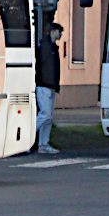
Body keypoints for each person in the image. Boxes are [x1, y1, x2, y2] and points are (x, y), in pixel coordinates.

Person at [35, 21, 64, 155]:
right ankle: (29, 137)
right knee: (45, 114)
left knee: (49, 116)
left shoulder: (52, 47)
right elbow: (40, 66)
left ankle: (43, 144)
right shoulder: (45, 48)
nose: (60, 35)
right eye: (59, 32)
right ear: (53, 31)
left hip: (50, 86)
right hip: (44, 85)